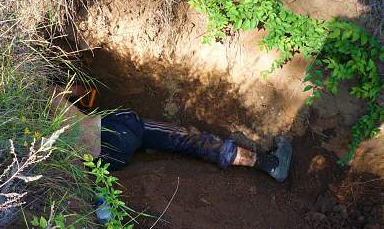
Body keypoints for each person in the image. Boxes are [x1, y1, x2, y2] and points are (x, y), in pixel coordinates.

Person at [50, 84, 292, 183]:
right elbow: (83, 91)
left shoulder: (32, 140)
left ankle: (147, 145)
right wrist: (78, 97)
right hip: (119, 130)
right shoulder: (47, 93)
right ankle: (270, 164)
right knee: (188, 140)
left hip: (109, 160)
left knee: (143, 140)